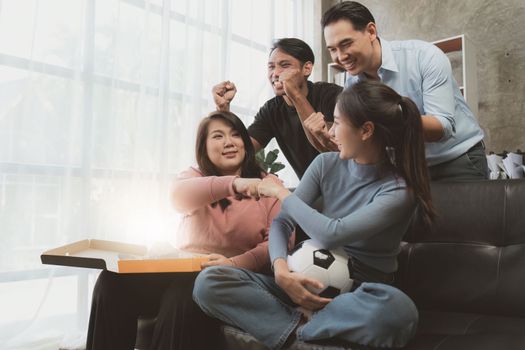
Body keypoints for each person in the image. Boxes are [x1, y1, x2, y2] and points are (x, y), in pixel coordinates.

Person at [193, 81, 436, 349]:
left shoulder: (399, 191)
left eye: (338, 123)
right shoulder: (325, 164)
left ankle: (300, 328)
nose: (331, 132)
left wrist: (283, 194)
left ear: (366, 130)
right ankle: (299, 332)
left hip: (357, 294)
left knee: (399, 314)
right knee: (209, 282)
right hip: (301, 281)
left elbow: (334, 232)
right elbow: (283, 222)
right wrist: (281, 270)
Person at [86, 111, 288, 350]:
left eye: (235, 135)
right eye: (218, 136)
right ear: (203, 146)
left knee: (183, 293)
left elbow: (278, 243)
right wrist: (235, 184)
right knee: (111, 282)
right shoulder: (194, 178)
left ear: (245, 142)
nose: (228, 142)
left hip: (226, 276)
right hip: (179, 269)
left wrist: (234, 264)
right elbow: (177, 197)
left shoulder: (270, 185)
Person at [307, 1, 487, 181]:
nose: (340, 57)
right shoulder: (352, 83)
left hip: (457, 159)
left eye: (346, 44)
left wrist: (382, 114)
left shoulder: (425, 56)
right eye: (333, 49)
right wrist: (336, 137)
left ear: (371, 32)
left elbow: (442, 128)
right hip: (406, 167)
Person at [212, 38, 342, 179]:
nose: (276, 73)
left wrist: (295, 95)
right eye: (271, 67)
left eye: (285, 65)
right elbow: (243, 150)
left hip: (344, 182)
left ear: (307, 69)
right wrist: (223, 108)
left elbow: (332, 144)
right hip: (312, 189)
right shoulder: (271, 110)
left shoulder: (331, 94)